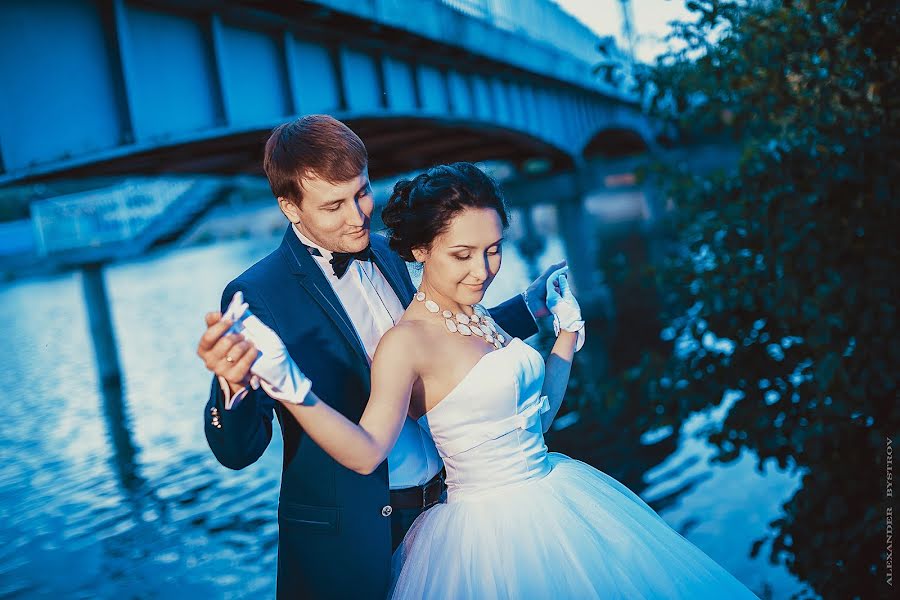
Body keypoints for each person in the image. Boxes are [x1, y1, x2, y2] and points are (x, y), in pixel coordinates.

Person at [228, 162, 761, 599]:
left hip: (559, 496)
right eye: (462, 255)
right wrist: (290, 388)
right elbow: (367, 453)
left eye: (493, 249)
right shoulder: (406, 343)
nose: (483, 271)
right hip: (483, 537)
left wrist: (565, 340)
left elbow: (540, 419)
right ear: (417, 251)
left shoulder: (478, 314)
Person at [196, 116, 562, 599]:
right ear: (290, 207)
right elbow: (237, 452)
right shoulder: (258, 293)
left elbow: (443, 342)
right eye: (334, 205)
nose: (358, 216)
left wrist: (532, 307)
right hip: (351, 538)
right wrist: (235, 387)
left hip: (454, 508)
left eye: (362, 192)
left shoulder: (388, 251)